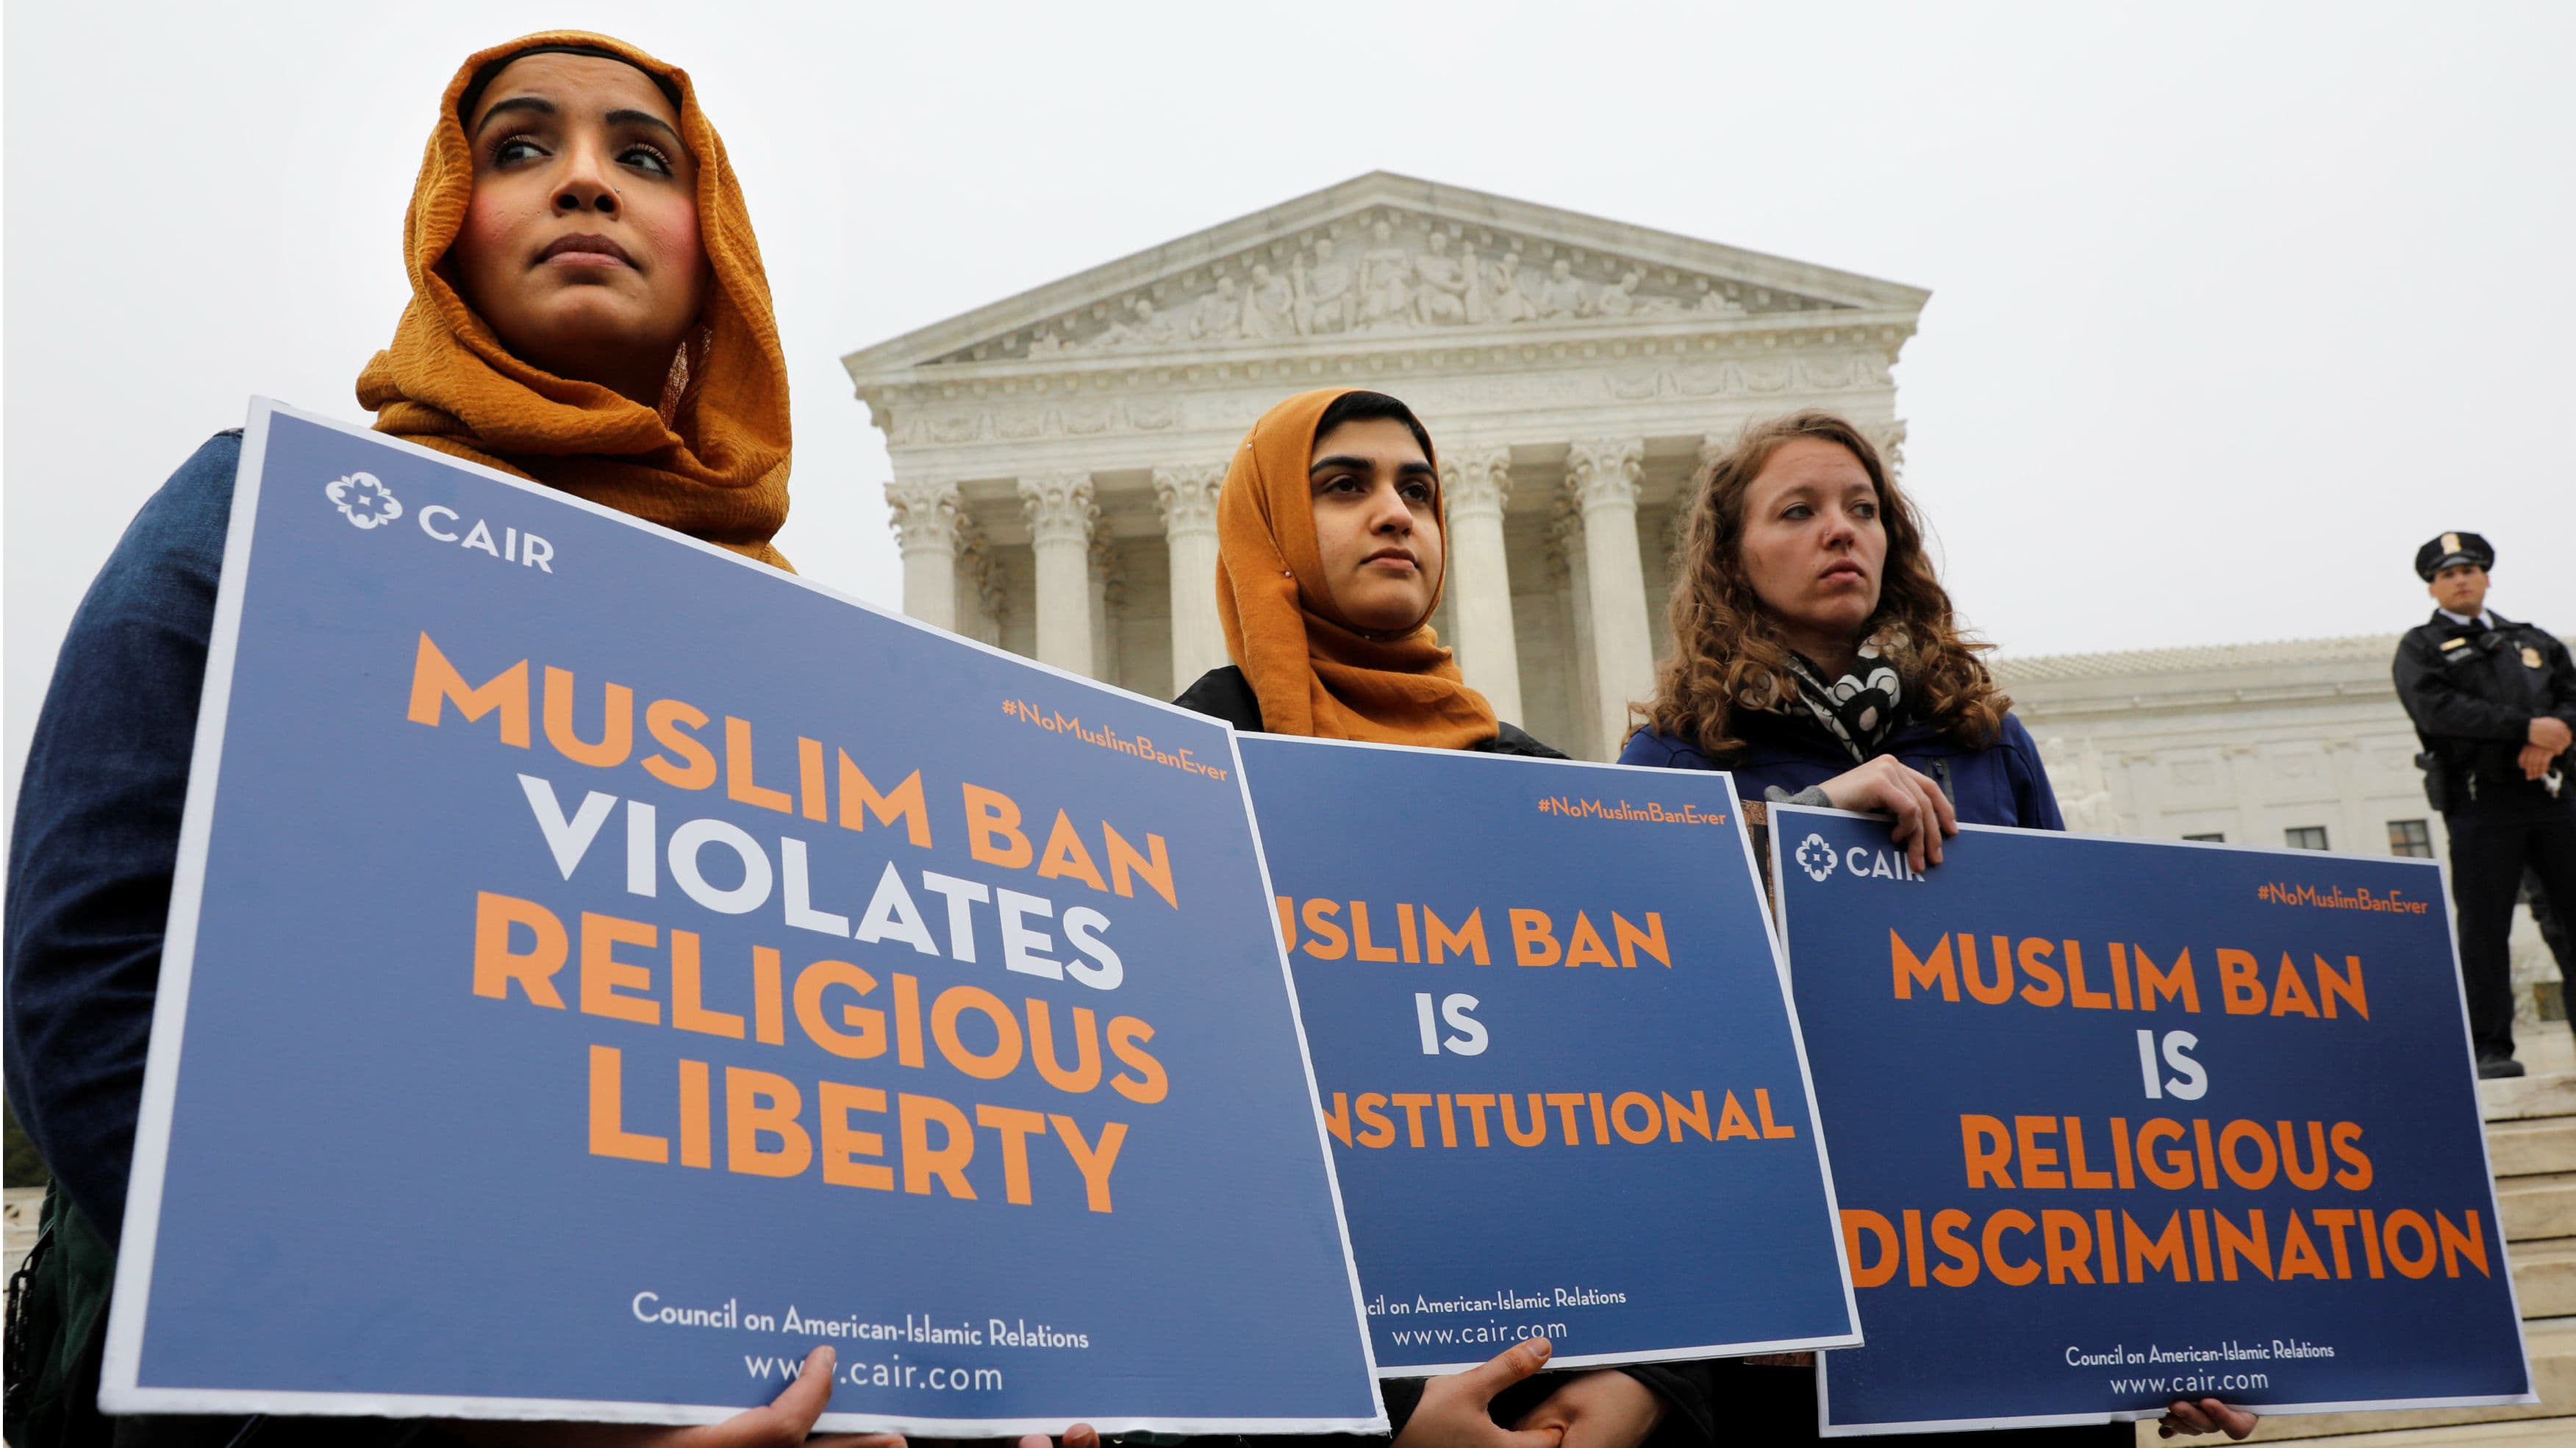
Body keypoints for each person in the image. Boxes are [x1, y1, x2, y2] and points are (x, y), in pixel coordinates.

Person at [1, 32, 1003, 1448]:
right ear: (445, 234)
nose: (582, 183)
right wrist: (478, 1408)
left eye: (643, 159)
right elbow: (93, 985)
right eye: (520, 148)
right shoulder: (264, 521)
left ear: (712, 247)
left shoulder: (802, 655)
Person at [1617, 410, 2255, 1444]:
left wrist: (2155, 1308)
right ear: (1732, 559)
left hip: (2014, 1264)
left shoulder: (1983, 737)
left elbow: (2088, 1016)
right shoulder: (1677, 759)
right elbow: (1648, 1004)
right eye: (1801, 510)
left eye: (1864, 509)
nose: (1843, 531)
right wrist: (1812, 823)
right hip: (1801, 1305)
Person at [1176, 388, 1709, 1448]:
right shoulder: (1177, 771)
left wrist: (1649, 1382)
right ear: (1269, 520)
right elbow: (1177, 1147)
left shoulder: (1538, 783)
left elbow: (1663, 1114)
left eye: (1418, 489)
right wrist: (1387, 1430)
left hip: (1563, 1384)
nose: (1395, 511)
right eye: (1344, 485)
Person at [2392, 532, 2576, 1078]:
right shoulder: (2422, 647)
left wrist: (2551, 736)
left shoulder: (2534, 640)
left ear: (2487, 577)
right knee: (2484, 928)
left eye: (2470, 569)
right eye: (2448, 574)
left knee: (2570, 924)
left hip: (2552, 796)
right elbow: (2437, 710)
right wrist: (2525, 729)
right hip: (2482, 803)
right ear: (2433, 587)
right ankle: (2491, 1049)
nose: (2461, 580)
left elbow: (2569, 696)